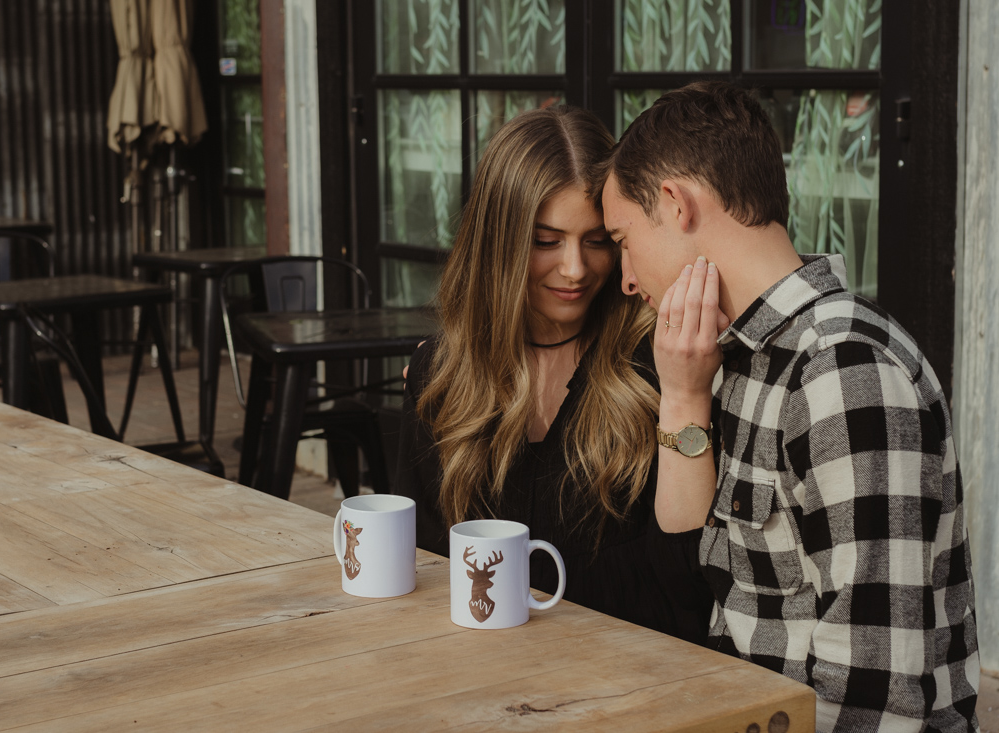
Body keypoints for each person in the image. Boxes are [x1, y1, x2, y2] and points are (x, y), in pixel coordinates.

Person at [600, 80, 979, 731]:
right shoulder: (741, 354)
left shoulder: (843, 369)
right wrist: (683, 395)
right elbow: (700, 571)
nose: (627, 278)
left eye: (623, 239)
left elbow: (875, 692)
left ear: (675, 203)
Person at [393, 105, 713, 644]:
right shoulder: (439, 377)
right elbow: (419, 567)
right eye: (546, 241)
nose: (575, 269)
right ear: (499, 243)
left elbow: (692, 583)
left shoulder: (663, 362)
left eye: (598, 241)